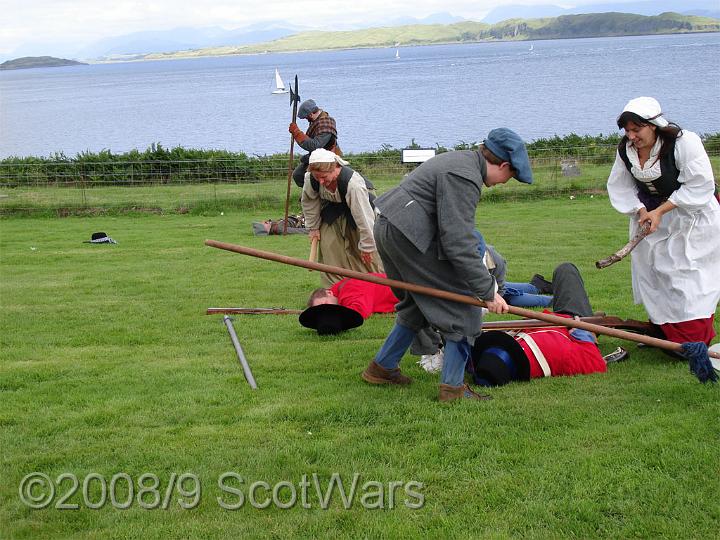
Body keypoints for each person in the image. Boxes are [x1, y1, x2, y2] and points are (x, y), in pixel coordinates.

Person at [360, 127, 534, 402]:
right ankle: (453, 390)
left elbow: (452, 233)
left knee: (418, 303)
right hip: (408, 234)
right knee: (463, 307)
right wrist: (487, 291)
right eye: (510, 175)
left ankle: (382, 367)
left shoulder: (462, 162)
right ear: (502, 164)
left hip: (392, 228)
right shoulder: (465, 176)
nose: (505, 181)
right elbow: (457, 241)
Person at [606, 96, 720, 346]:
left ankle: (693, 336)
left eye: (637, 130)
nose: (631, 136)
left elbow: (700, 183)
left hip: (691, 216)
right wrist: (641, 211)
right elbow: (620, 186)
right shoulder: (626, 150)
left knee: (687, 276)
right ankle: (663, 332)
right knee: (656, 273)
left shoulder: (684, 143)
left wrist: (660, 211)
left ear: (654, 125)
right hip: (650, 218)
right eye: (627, 130)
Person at [471, 262, 628, 387]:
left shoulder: (492, 353)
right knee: (566, 270)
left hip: (555, 318)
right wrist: (580, 329)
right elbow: (595, 362)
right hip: (573, 320)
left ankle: (592, 317)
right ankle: (593, 320)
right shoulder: (560, 355)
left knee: (562, 276)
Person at [302, 148, 383, 286]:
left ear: (334, 168)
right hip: (331, 214)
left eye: (324, 177)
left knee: (364, 257)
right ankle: (336, 290)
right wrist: (313, 227)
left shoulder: (353, 184)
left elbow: (364, 216)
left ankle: (378, 288)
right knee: (330, 251)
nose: (320, 181)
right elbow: (310, 202)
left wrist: (367, 245)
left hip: (359, 215)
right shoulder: (311, 179)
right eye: (317, 177)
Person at [289, 99, 341, 188]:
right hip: (317, 157)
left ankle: (319, 195)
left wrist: (297, 133)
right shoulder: (316, 121)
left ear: (311, 114)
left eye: (306, 117)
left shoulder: (326, 123)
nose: (306, 119)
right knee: (298, 175)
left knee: (312, 177)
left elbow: (314, 145)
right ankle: (312, 193)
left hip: (328, 159)